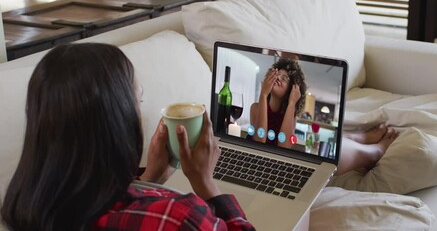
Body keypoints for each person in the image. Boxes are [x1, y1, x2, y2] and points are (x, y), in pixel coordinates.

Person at [0, 43, 255, 231]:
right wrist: (205, 183)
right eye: (137, 100)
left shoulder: (24, 209)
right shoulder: (179, 217)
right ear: (117, 121)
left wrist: (148, 179)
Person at [249, 58, 399, 175]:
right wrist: (263, 94)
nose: (279, 79)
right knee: (331, 155)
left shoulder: (290, 116)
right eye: (277, 74)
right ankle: (375, 151)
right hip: (267, 165)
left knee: (328, 150)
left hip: (282, 160)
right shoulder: (256, 108)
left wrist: (292, 103)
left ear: (292, 89)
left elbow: (284, 148)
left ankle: (361, 139)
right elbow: (259, 142)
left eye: (285, 78)